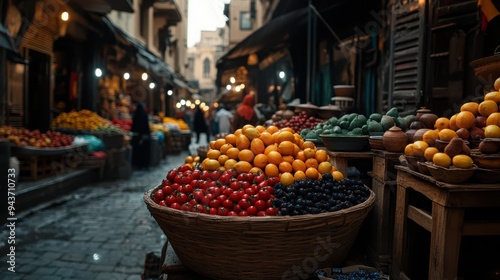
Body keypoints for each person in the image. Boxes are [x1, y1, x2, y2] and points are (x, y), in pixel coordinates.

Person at [130, 102, 151, 169]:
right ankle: (145, 164)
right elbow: (146, 126)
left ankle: (139, 164)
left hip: (138, 136)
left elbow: (134, 126)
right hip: (145, 136)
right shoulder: (144, 114)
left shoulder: (136, 115)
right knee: (144, 151)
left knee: (139, 151)